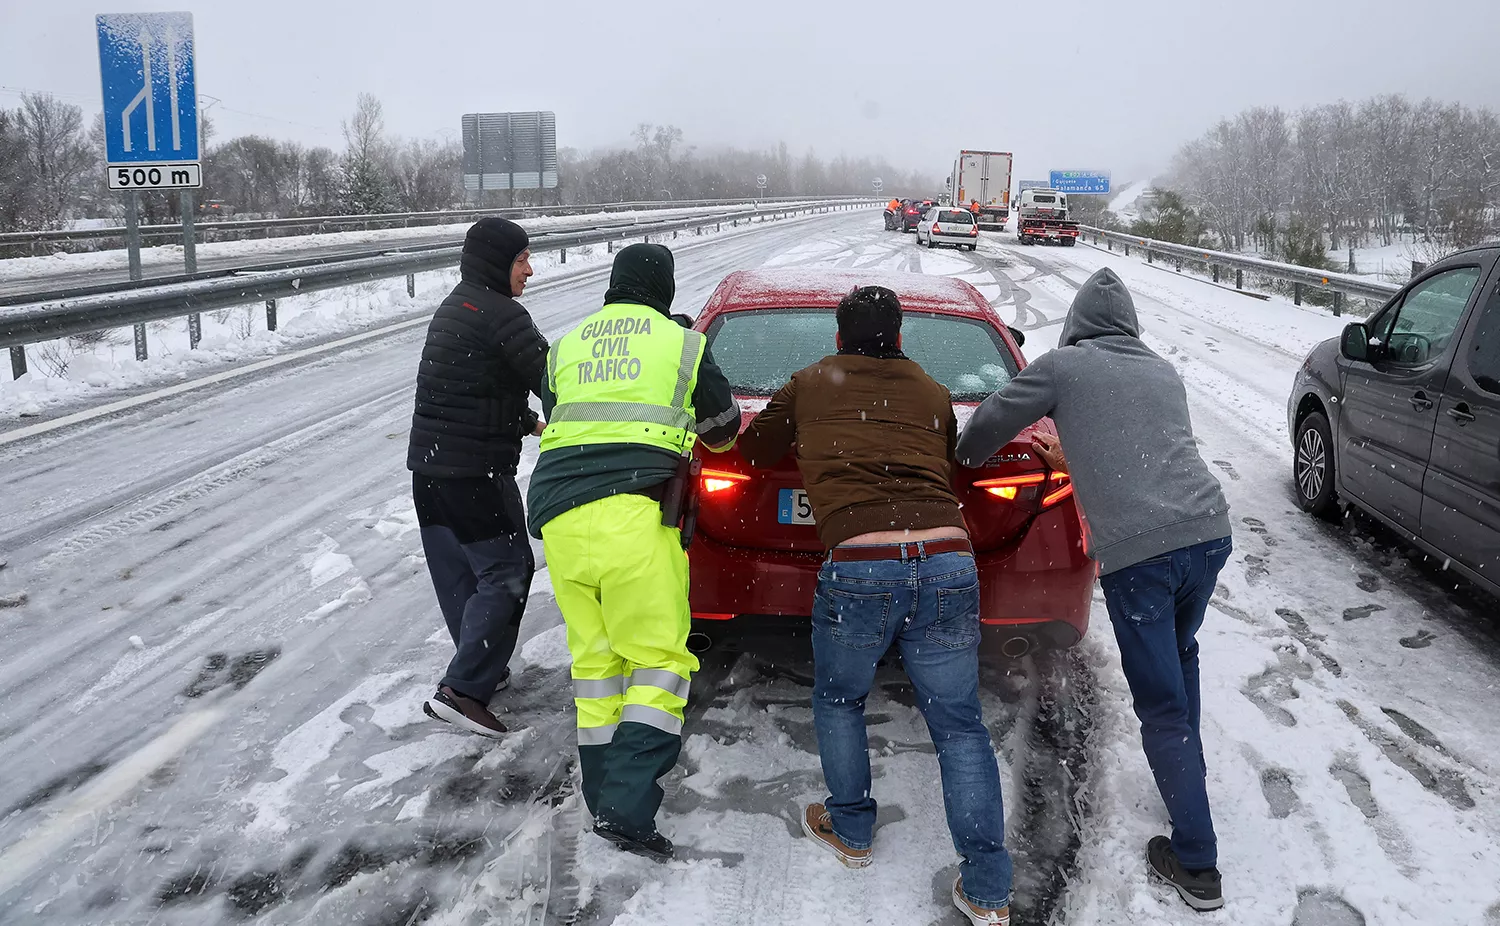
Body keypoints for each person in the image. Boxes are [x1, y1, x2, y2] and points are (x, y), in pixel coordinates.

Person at [956, 267, 1232, 912]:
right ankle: (1185, 778)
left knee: (1159, 702)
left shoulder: (1063, 367)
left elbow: (984, 430)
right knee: (1181, 653)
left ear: (1077, 325)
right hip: (1208, 534)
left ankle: (1197, 863)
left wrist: (969, 453)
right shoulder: (1162, 370)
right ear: (1129, 324)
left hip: (1143, 554)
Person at [738, 285, 1013, 926]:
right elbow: (947, 462)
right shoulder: (932, 390)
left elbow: (753, 451)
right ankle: (987, 889)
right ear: (899, 336)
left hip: (861, 565)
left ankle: (852, 828)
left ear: (838, 337)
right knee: (960, 726)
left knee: (840, 699)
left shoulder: (810, 382)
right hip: (948, 561)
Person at [527, 243, 740, 862]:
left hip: (561, 522)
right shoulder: (684, 345)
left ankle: (603, 795)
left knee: (596, 664)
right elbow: (723, 431)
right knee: (658, 662)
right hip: (634, 518)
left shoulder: (565, 346)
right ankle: (625, 807)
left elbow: (568, 419)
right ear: (664, 289)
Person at [408, 217, 548, 739]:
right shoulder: (504, 315)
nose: (529, 271)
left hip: (430, 471)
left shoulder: (455, 307)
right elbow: (553, 379)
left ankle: (481, 667)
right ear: (497, 262)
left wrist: (527, 422)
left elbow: (467, 392)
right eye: (522, 260)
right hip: (475, 475)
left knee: (460, 576)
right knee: (509, 570)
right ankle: (463, 690)